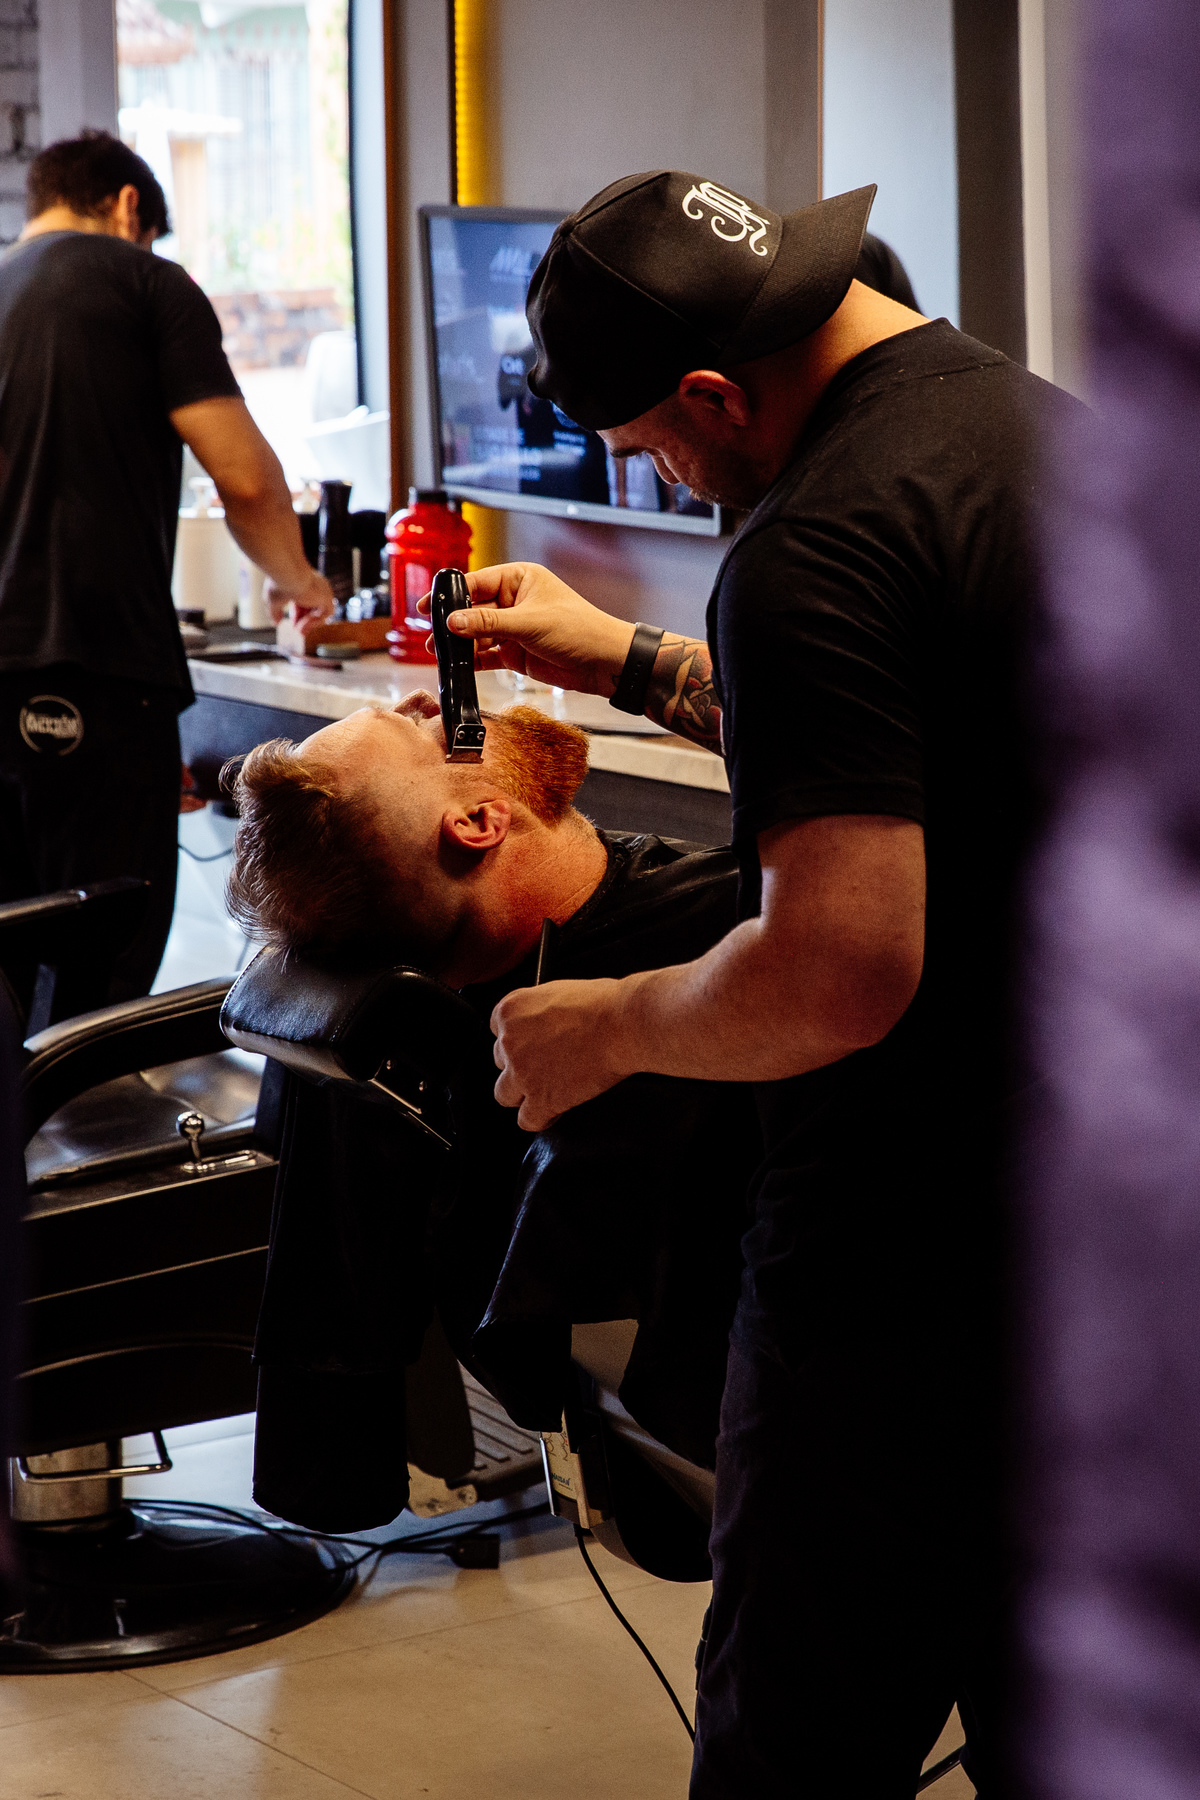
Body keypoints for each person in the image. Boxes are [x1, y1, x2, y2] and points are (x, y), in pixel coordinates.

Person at [423, 169, 1078, 1797]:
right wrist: (636, 662)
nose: (657, 471)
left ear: (717, 388)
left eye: (650, 441)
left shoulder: (816, 538)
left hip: (907, 1276)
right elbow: (945, 752)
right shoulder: (1042, 429)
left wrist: (608, 1027)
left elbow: (842, 971)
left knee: (799, 1748)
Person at [222, 693, 756, 1529]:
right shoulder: (753, 937)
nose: (436, 699)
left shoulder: (408, 1019)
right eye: (422, 730)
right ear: (478, 819)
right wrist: (636, 663)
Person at [0, 131, 332, 1010]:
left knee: (11, 947)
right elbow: (247, 478)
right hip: (91, 664)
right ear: (128, 208)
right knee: (104, 955)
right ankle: (79, 1140)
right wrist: (302, 585)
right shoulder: (145, 282)